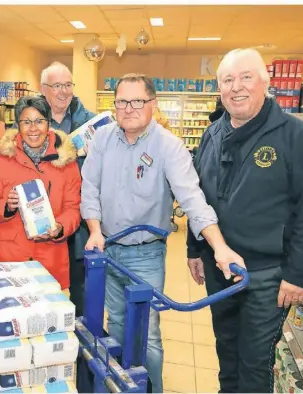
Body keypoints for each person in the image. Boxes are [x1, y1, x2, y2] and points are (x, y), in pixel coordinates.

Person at [80, 73, 245, 393]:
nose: (128, 109)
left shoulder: (169, 146)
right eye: (122, 102)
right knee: (115, 324)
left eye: (137, 101)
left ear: (152, 104)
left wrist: (220, 247)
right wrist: (95, 231)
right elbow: (90, 189)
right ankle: (119, 385)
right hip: (109, 249)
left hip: (147, 254)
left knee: (148, 335)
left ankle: (149, 389)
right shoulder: (101, 140)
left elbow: (193, 200)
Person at [186, 48, 303, 393]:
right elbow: (198, 195)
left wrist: (298, 275)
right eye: (227, 80)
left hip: (267, 275)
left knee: (254, 361)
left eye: (246, 77)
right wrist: (195, 248)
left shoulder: (297, 138)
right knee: (226, 349)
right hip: (220, 268)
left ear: (265, 82)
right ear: (219, 88)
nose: (237, 87)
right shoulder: (213, 133)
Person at [0, 96, 81, 289]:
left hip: (50, 261)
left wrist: (60, 227)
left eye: (39, 121)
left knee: (49, 318)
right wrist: (6, 206)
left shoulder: (67, 164)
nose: (33, 129)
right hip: (8, 260)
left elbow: (74, 209)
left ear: (49, 123)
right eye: (26, 122)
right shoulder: (1, 161)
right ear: (18, 125)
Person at [40, 61, 95, 314]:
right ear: (43, 89)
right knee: (44, 289)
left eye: (68, 85)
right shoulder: (32, 124)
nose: (63, 91)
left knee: (81, 289)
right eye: (57, 86)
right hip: (44, 219)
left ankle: (81, 346)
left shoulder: (92, 124)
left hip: (80, 219)